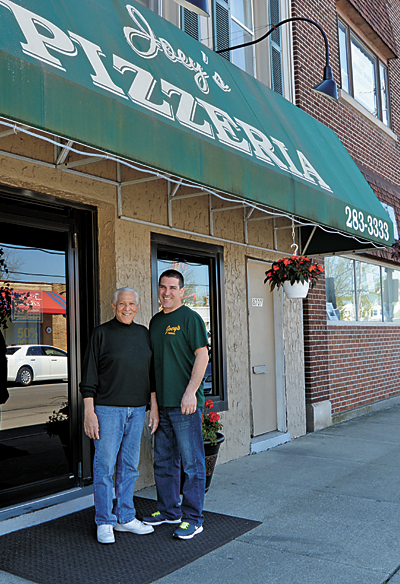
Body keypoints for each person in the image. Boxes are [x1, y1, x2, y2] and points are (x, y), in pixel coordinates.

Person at [80, 287, 158, 544]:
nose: (127, 308)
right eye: (122, 304)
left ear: (137, 306)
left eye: (132, 304)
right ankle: (104, 521)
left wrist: (152, 405)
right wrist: (89, 412)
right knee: (104, 468)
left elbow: (151, 374)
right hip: (107, 411)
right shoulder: (101, 333)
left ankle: (125, 517)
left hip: (137, 410)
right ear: (113, 306)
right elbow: (89, 375)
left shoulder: (143, 334)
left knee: (129, 467)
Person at [143, 269, 209, 540]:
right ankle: (170, 510)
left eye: (172, 287)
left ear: (182, 291)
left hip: (185, 406)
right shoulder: (155, 322)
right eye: (162, 287)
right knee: (163, 461)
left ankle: (194, 518)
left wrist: (190, 393)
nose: (166, 292)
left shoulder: (190, 319)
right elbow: (154, 368)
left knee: (191, 464)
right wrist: (154, 405)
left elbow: (202, 357)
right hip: (164, 405)